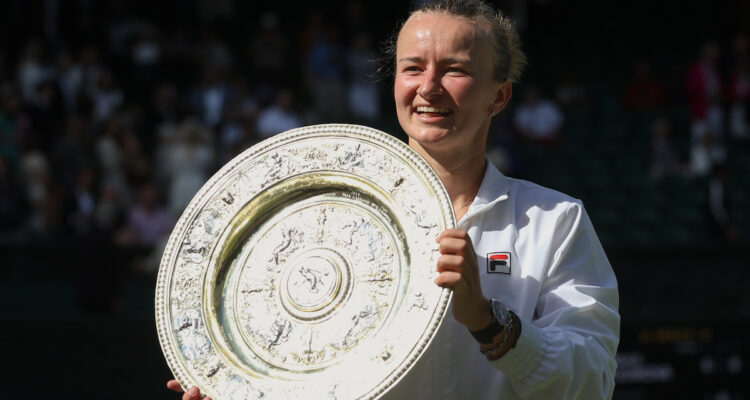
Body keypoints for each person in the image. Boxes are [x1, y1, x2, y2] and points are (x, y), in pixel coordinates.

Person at [168, 0, 619, 398]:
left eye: (455, 69)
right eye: (413, 67)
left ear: (498, 96)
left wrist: (489, 323)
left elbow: (591, 383)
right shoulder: (317, 214)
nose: (429, 86)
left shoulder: (555, 222)